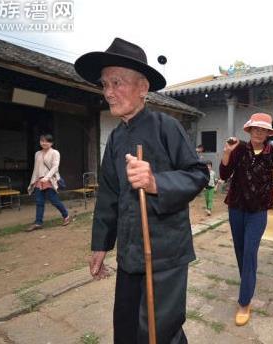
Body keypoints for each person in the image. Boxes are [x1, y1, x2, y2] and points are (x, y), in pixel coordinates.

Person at [75, 38, 209, 344]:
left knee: (161, 333)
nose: (108, 92)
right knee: (125, 328)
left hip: (165, 254)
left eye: (117, 82)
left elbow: (199, 174)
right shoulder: (116, 140)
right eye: (105, 84)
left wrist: (156, 182)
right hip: (131, 253)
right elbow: (108, 197)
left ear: (143, 87)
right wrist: (100, 245)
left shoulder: (167, 127)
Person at [220, 113, 273, 326]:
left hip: (258, 210)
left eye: (263, 130)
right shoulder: (239, 148)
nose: (259, 133)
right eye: (255, 129)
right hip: (236, 207)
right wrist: (226, 153)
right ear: (249, 130)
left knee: (250, 251)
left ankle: (244, 302)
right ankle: (248, 282)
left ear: (268, 133)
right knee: (240, 250)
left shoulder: (272, 152)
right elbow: (224, 175)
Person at [25, 134, 70, 231]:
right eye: (42, 141)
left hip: (49, 180)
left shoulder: (55, 153)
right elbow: (36, 169)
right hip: (39, 180)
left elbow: (55, 167)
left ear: (51, 143)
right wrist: (34, 181)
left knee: (54, 201)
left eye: (47, 141)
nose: (44, 143)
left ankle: (66, 216)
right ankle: (38, 223)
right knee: (39, 202)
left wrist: (47, 177)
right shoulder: (37, 153)